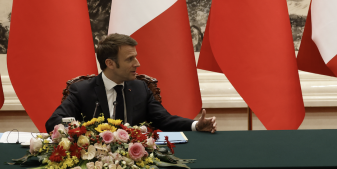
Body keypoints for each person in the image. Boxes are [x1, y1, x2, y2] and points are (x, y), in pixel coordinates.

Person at [46, 33, 216, 133]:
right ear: (110, 63)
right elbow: (53, 122)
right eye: (130, 59)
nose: (137, 63)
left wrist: (196, 125)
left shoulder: (140, 88)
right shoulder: (82, 90)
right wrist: (87, 132)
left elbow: (164, 120)